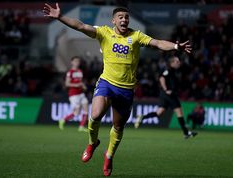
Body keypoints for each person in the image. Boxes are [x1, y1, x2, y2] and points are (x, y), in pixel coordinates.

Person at [43, 4, 191, 176]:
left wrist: (175, 47)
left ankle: (109, 156)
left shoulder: (136, 36)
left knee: (118, 126)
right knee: (96, 114)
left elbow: (157, 43)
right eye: (120, 17)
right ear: (113, 20)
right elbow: (81, 26)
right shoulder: (104, 32)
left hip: (126, 90)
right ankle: (92, 143)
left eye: (126, 17)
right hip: (107, 83)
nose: (124, 19)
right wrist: (60, 17)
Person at [134, 56, 197, 139]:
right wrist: (166, 89)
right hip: (169, 95)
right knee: (179, 113)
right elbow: (161, 78)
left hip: (164, 95)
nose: (179, 63)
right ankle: (186, 133)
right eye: (177, 62)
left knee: (159, 113)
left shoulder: (173, 71)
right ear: (172, 63)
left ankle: (143, 117)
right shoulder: (168, 70)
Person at [58, 56, 89, 132]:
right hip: (73, 94)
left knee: (86, 109)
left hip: (81, 93)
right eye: (75, 61)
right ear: (72, 62)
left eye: (78, 61)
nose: (77, 62)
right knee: (77, 112)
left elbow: (80, 82)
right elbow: (67, 84)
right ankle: (62, 120)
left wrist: (83, 86)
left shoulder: (80, 71)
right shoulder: (70, 72)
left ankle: (81, 127)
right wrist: (76, 85)